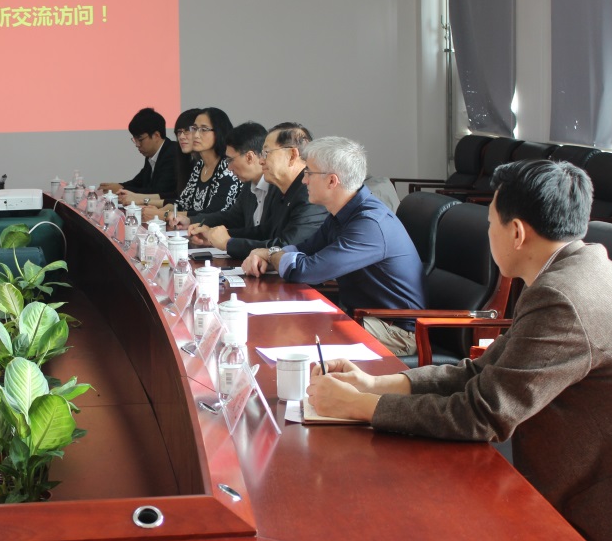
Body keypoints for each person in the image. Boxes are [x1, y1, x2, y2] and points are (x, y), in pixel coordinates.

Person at [307, 159, 612, 541]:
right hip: (587, 469)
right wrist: (374, 384)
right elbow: (483, 371)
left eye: (491, 222)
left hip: (611, 523)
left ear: (516, 232)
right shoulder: (576, 270)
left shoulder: (563, 297)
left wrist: (358, 407)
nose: (488, 233)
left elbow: (482, 415)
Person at [242, 136, 425, 356]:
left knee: (293, 333)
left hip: (394, 331)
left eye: (309, 173)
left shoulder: (369, 225)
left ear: (332, 181)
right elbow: (304, 249)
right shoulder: (343, 213)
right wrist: (270, 254)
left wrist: (271, 255)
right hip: (363, 317)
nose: (303, 180)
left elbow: (306, 270)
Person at [189, 121, 327, 258]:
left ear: (292, 156)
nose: (261, 161)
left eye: (267, 153)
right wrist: (215, 237)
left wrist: (228, 243)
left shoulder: (309, 193)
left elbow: (287, 247)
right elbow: (265, 232)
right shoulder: (286, 190)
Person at [140, 107, 242, 227]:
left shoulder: (227, 167)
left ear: (219, 132)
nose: (196, 135)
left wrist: (164, 214)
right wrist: (160, 211)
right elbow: (183, 202)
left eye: (203, 129)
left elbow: (213, 213)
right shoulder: (200, 165)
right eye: (194, 129)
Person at [99, 108, 177, 203]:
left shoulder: (173, 154)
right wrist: (120, 186)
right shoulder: (151, 154)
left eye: (140, 139)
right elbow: (138, 182)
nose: (137, 144)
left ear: (156, 135)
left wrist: (122, 190)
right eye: (134, 140)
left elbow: (158, 192)